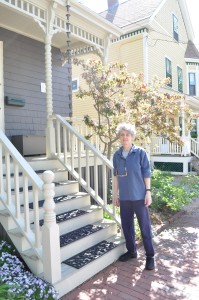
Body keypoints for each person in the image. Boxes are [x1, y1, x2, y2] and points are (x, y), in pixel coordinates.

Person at [113, 123, 155, 270]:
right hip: (124, 198)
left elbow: (146, 173)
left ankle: (150, 256)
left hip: (139, 197)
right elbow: (116, 176)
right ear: (120, 137)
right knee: (127, 226)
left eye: (128, 135)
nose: (125, 137)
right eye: (122, 135)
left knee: (144, 227)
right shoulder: (116, 155)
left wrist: (148, 192)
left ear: (132, 137)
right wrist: (115, 194)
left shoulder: (140, 153)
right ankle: (132, 252)